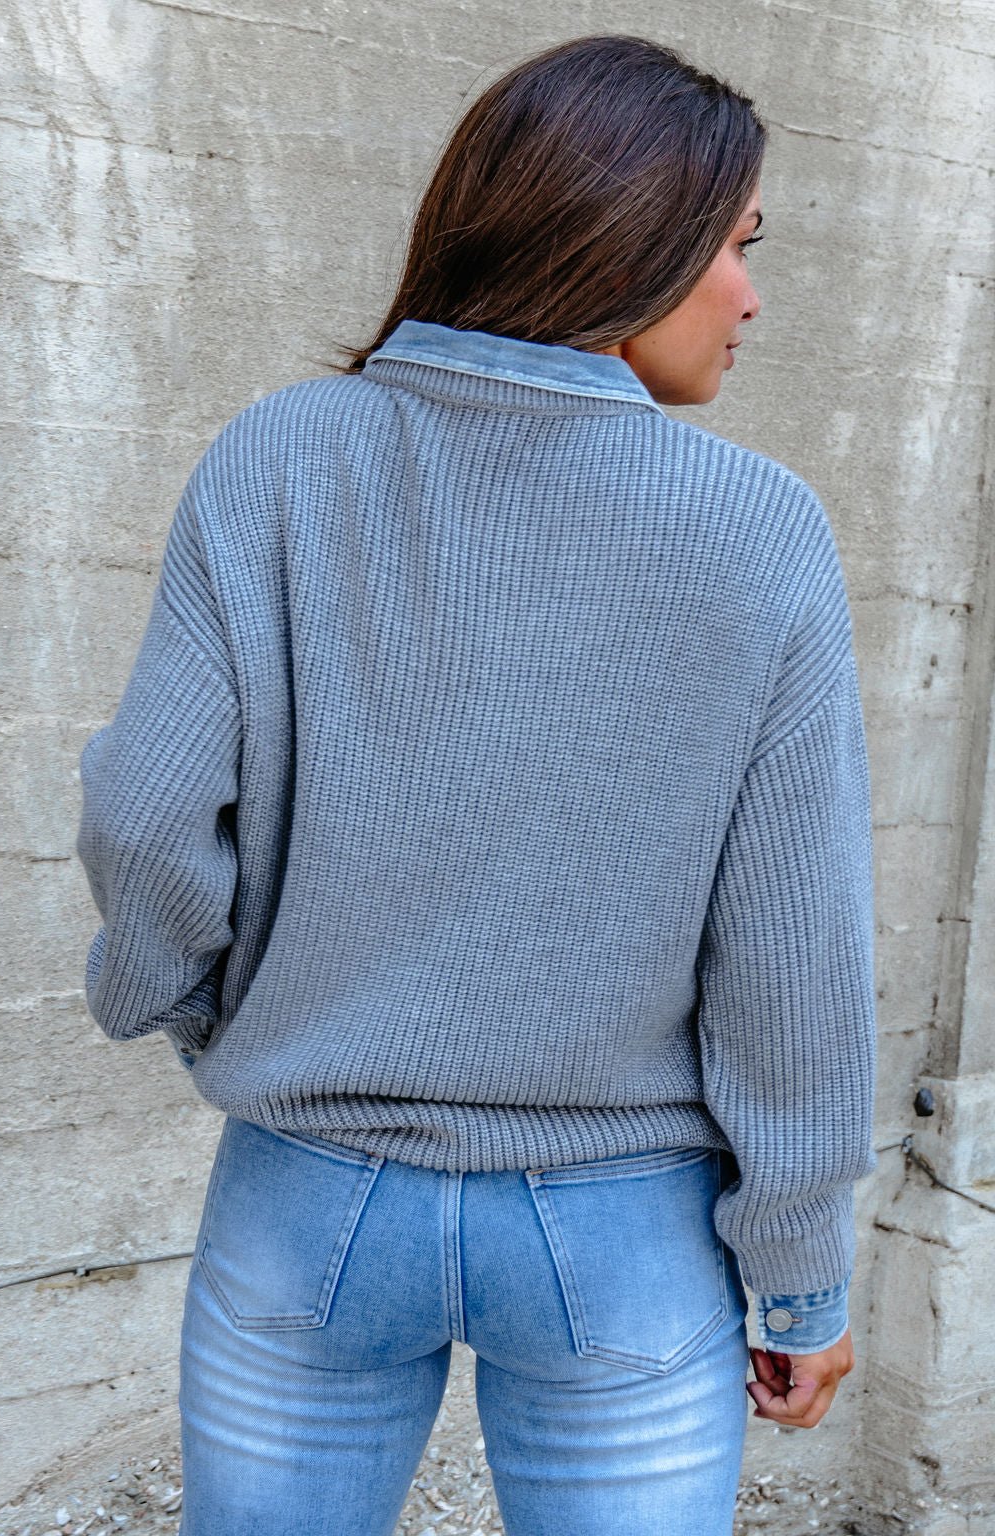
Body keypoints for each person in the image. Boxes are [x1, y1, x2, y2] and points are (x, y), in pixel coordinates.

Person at [75, 33, 877, 1536]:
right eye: (735, 247)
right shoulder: (760, 528)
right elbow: (796, 954)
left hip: (303, 1193)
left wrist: (196, 1002)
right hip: (622, 1228)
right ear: (625, 242)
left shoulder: (282, 460)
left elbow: (147, 813)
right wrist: (802, 1271)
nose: (753, 295)